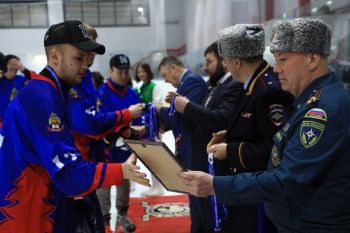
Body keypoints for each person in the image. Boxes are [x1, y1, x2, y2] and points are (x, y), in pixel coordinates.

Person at [179, 18, 350, 233]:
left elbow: (287, 178)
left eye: (283, 59)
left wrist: (215, 185)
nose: (276, 69)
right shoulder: (308, 100)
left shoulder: (323, 111)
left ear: (313, 59)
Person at [0, 20, 150, 233]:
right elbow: (68, 174)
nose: (86, 65)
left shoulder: (51, 90)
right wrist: (121, 170)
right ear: (54, 56)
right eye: (79, 58)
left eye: (88, 58)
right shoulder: (42, 98)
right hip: (32, 213)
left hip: (46, 202)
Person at [66, 23, 143, 233]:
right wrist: (125, 117)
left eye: (92, 51)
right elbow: (92, 121)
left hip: (114, 146)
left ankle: (122, 215)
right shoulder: (96, 88)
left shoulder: (91, 79)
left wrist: (136, 129)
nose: (89, 58)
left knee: (124, 180)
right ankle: (106, 216)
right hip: (88, 154)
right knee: (101, 188)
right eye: (83, 52)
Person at [173, 42, 242, 233]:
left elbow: (218, 120)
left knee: (211, 220)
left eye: (209, 62)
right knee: (201, 218)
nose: (205, 67)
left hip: (214, 167)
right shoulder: (216, 86)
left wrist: (186, 106)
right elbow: (203, 118)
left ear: (224, 61)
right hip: (201, 163)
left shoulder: (233, 86)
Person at [97, 54, 143, 233]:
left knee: (124, 182)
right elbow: (99, 122)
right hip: (105, 148)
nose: (124, 75)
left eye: (126, 72)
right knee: (103, 183)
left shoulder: (132, 93)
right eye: (120, 72)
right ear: (110, 71)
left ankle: (123, 215)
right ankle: (104, 219)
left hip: (126, 148)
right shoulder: (101, 92)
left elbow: (140, 121)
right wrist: (123, 127)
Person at [134, 62, 165, 196]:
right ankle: (155, 185)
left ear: (148, 72)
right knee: (148, 158)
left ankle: (159, 187)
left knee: (155, 158)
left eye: (143, 71)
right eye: (139, 72)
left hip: (153, 128)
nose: (141, 74)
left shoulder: (155, 86)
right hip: (143, 127)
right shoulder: (139, 88)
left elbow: (156, 106)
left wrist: (142, 106)